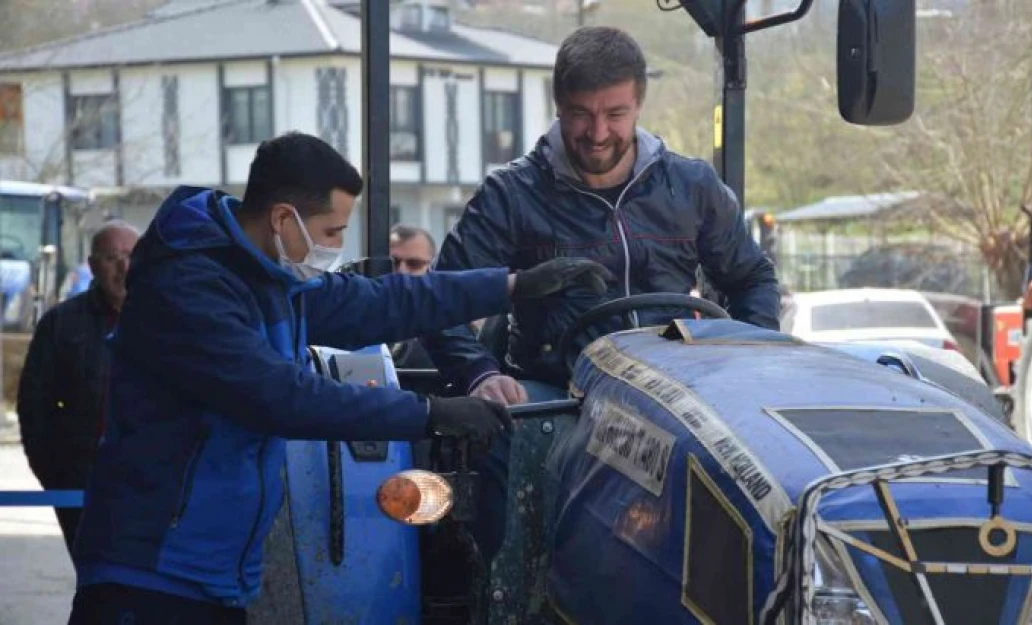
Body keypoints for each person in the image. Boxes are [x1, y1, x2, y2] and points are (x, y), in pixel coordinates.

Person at [65, 131, 610, 625]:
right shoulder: (191, 290)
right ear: (283, 220)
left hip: (214, 573)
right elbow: (282, 397)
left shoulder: (269, 277)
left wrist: (511, 286)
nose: (334, 247)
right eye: (330, 231)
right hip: (150, 569)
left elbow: (380, 302)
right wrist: (429, 414)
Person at [421, 25, 781, 560]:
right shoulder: (512, 195)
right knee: (509, 440)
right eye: (581, 114)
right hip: (557, 388)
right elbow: (439, 302)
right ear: (558, 107)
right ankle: (508, 594)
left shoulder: (691, 186)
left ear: (638, 105)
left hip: (677, 385)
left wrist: (744, 357)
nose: (597, 132)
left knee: (754, 463)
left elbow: (752, 278)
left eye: (615, 114)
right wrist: (482, 373)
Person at [16, 220, 140, 564]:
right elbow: (34, 406)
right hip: (82, 482)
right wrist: (54, 475)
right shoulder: (61, 324)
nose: (124, 267)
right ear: (92, 265)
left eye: (131, 255)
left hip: (153, 483)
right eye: (112, 257)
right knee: (96, 577)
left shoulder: (171, 317)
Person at [388, 224, 438, 369]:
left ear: (432, 268)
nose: (402, 271)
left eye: (414, 264)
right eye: (393, 263)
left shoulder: (451, 324)